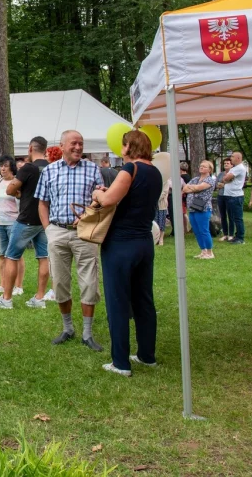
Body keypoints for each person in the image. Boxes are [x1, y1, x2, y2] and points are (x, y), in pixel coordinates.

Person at [90, 130, 162, 377]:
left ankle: (120, 362)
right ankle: (146, 355)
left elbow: (109, 200)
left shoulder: (129, 170)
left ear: (129, 146)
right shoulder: (155, 172)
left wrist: (97, 193)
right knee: (143, 300)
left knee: (118, 302)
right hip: (144, 241)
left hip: (121, 242)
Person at [36, 132, 105, 350]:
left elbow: (101, 201)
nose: (78, 147)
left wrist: (95, 204)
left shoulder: (93, 169)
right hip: (57, 231)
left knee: (89, 283)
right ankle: (68, 328)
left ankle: (87, 333)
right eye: (73, 143)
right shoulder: (49, 170)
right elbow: (42, 203)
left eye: (81, 144)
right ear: (62, 146)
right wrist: (48, 229)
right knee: (59, 283)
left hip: (85, 234)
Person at [0, 136, 56, 310]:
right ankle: (39, 298)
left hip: (26, 218)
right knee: (43, 258)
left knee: (11, 256)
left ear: (30, 149)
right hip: (45, 219)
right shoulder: (52, 168)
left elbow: (10, 189)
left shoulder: (29, 168)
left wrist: (20, 190)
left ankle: (6, 299)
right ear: (46, 149)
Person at [0, 156, 24, 296]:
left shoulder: (17, 183)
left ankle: (18, 286)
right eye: (1, 166)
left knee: (17, 256)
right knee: (2, 255)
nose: (2, 168)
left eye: (5, 165)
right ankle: (2, 285)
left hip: (14, 223)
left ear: (11, 167)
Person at [183, 160, 217, 259]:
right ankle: (203, 251)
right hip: (192, 208)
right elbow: (185, 188)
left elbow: (199, 188)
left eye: (204, 166)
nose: (201, 167)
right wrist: (193, 187)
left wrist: (192, 188)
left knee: (204, 230)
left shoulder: (210, 180)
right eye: (201, 166)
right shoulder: (195, 179)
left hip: (203, 208)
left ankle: (210, 252)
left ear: (210, 170)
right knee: (197, 231)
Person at [221, 151, 247, 244]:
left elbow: (226, 178)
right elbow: (225, 179)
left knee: (238, 218)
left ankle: (240, 237)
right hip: (230, 195)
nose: (230, 158)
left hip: (235, 196)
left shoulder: (239, 168)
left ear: (238, 158)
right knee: (233, 217)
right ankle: (237, 235)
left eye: (232, 156)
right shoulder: (235, 168)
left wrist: (226, 178)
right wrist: (226, 178)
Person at [215, 158, 233, 241]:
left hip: (230, 196)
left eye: (228, 163)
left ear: (231, 165)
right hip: (221, 195)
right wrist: (224, 184)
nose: (226, 164)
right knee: (223, 215)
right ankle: (225, 234)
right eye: (225, 163)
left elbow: (232, 184)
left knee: (231, 215)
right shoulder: (220, 174)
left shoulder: (233, 173)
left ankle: (231, 234)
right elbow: (217, 185)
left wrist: (223, 184)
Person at [155, 178, 170, 246]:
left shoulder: (166, 181)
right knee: (155, 222)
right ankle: (156, 238)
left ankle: (161, 239)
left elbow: (164, 192)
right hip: (152, 205)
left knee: (161, 222)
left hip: (161, 204)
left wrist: (154, 198)